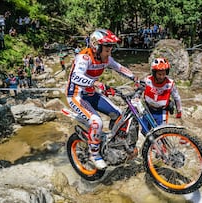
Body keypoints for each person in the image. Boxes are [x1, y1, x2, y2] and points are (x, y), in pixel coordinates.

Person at [66, 29, 136, 169]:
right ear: (96, 46)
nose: (110, 50)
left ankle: (113, 143)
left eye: (111, 47)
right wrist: (96, 83)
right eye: (107, 47)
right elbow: (75, 77)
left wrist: (136, 78)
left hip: (92, 95)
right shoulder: (84, 58)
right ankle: (94, 154)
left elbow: (120, 68)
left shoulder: (106, 59)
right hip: (77, 96)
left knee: (119, 115)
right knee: (96, 122)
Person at [141, 57, 183, 134]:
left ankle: (160, 145)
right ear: (154, 73)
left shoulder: (170, 84)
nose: (161, 77)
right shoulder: (147, 80)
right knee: (145, 132)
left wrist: (179, 110)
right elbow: (138, 90)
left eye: (164, 74)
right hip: (147, 110)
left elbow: (177, 97)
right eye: (159, 74)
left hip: (161, 112)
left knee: (160, 133)